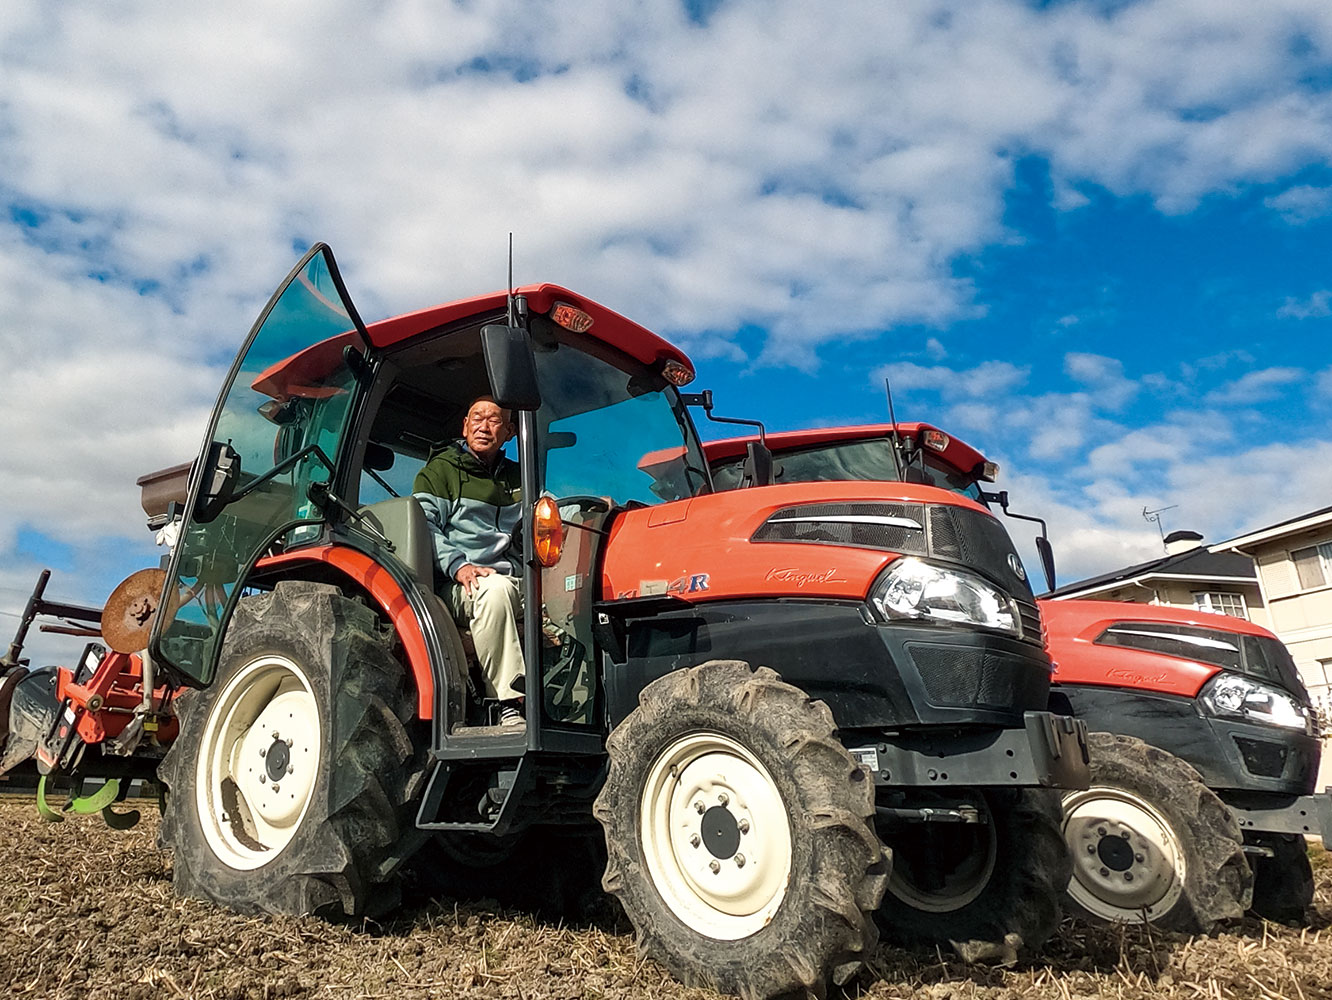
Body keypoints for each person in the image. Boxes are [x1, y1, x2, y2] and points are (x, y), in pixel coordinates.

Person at [413, 397, 525, 726]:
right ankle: (507, 703)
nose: (483, 426)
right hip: (458, 585)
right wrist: (459, 565)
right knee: (494, 592)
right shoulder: (440, 471)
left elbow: (541, 521)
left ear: (509, 431)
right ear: (464, 425)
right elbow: (425, 527)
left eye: (493, 420)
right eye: (477, 418)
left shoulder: (521, 479)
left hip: (516, 578)